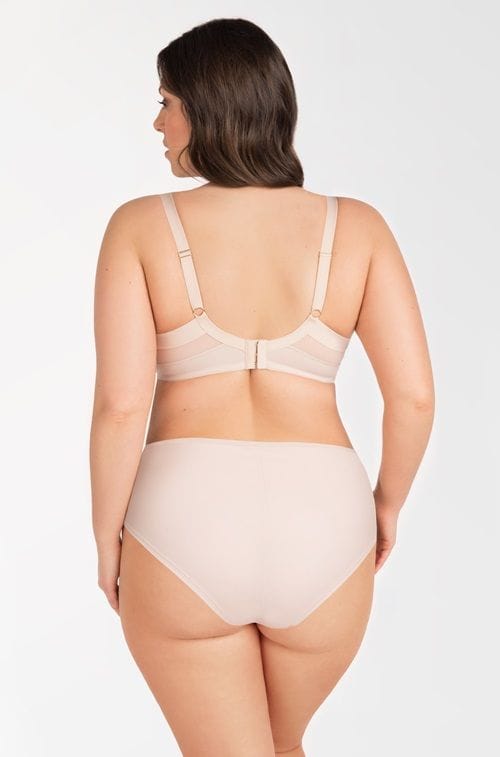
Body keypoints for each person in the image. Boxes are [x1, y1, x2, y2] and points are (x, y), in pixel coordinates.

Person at [89, 17, 435, 757]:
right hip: (325, 524)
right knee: (279, 747)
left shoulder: (140, 227)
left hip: (185, 526)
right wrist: (386, 506)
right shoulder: (359, 228)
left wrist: (105, 537)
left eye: (167, 102)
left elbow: (121, 406)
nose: (158, 123)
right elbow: (413, 398)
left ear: (209, 107)